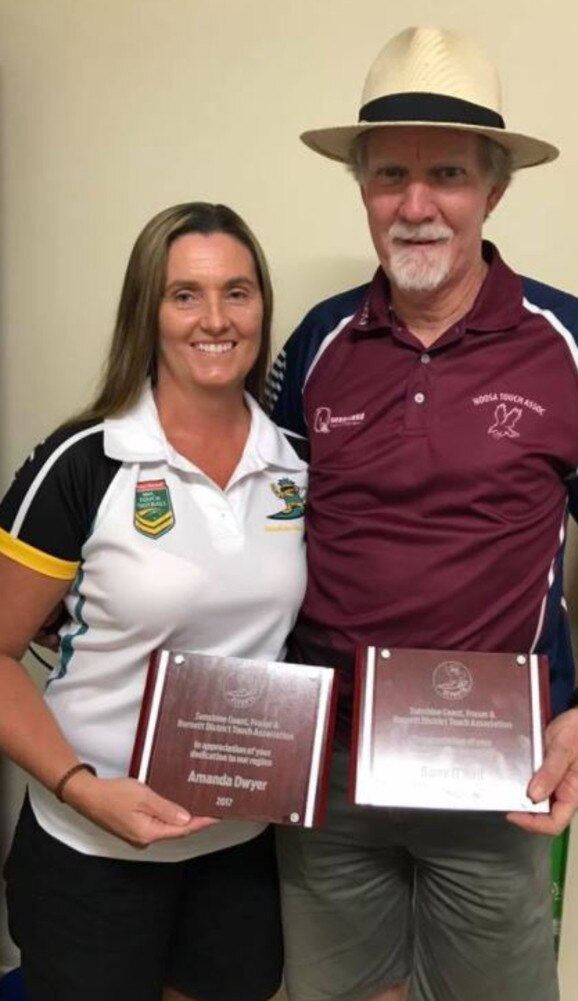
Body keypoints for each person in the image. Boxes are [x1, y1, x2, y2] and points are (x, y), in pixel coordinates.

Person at [266, 26, 578, 1001]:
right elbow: (256, 530)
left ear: (494, 187)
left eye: (444, 172)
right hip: (330, 766)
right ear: (360, 188)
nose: (415, 202)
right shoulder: (314, 344)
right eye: (388, 174)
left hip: (490, 772)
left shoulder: (577, 346)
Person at [0, 201, 307, 1001]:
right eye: (185, 295)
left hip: (239, 848)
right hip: (90, 853)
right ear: (149, 309)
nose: (215, 318)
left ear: (262, 307)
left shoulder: (302, 467)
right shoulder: (82, 462)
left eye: (237, 292)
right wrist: (78, 785)